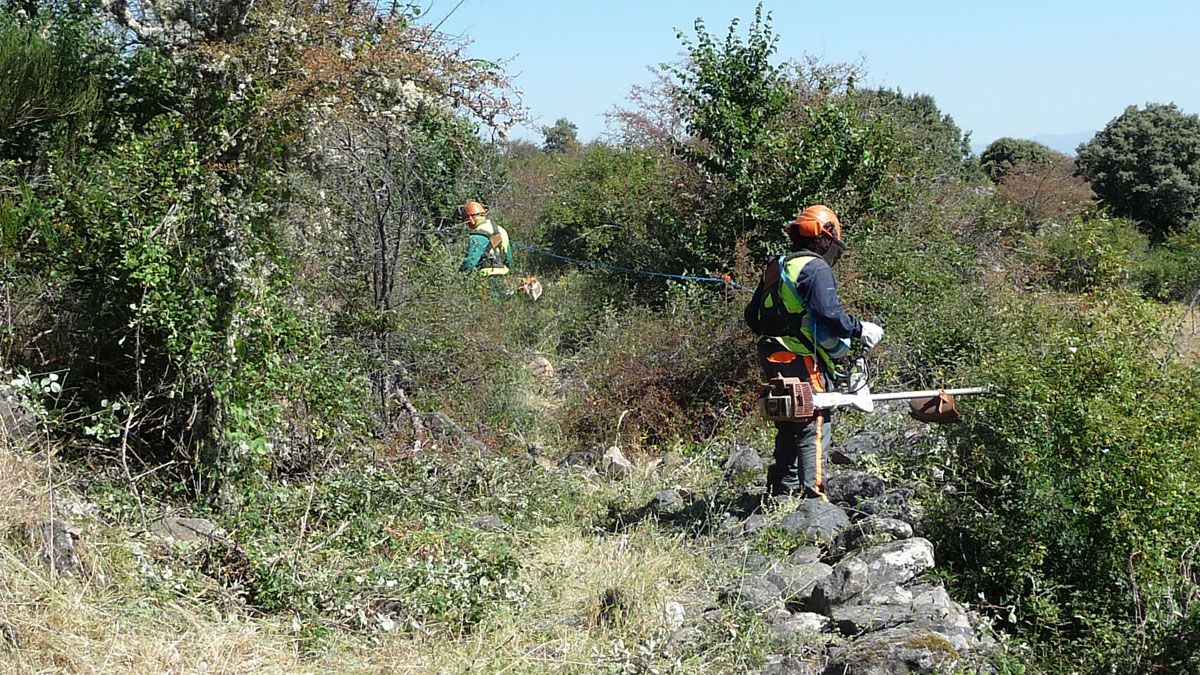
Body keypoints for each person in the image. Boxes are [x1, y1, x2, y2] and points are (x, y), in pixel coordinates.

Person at [744, 205, 884, 500]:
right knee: (814, 416)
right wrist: (859, 329)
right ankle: (813, 496)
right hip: (802, 356)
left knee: (787, 418)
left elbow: (752, 316)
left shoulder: (777, 265)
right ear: (824, 237)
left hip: (772, 356)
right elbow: (829, 314)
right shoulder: (815, 268)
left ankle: (781, 491)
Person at [458, 201, 512, 283]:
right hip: (503, 277)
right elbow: (509, 259)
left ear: (471, 219)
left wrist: (459, 276)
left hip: (485, 280)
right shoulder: (501, 230)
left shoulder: (477, 235)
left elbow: (470, 262)